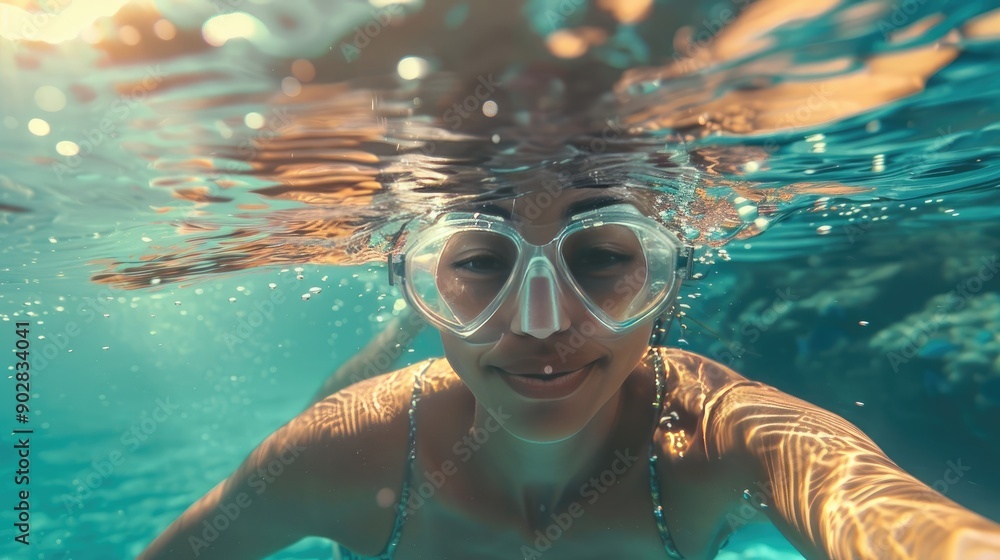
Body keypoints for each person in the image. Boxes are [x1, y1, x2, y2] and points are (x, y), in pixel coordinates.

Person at [140, 183, 1000, 560]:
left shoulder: (733, 438)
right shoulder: (340, 451)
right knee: (327, 409)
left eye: (599, 259)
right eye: (479, 262)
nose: (540, 324)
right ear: (422, 270)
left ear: (664, 285)